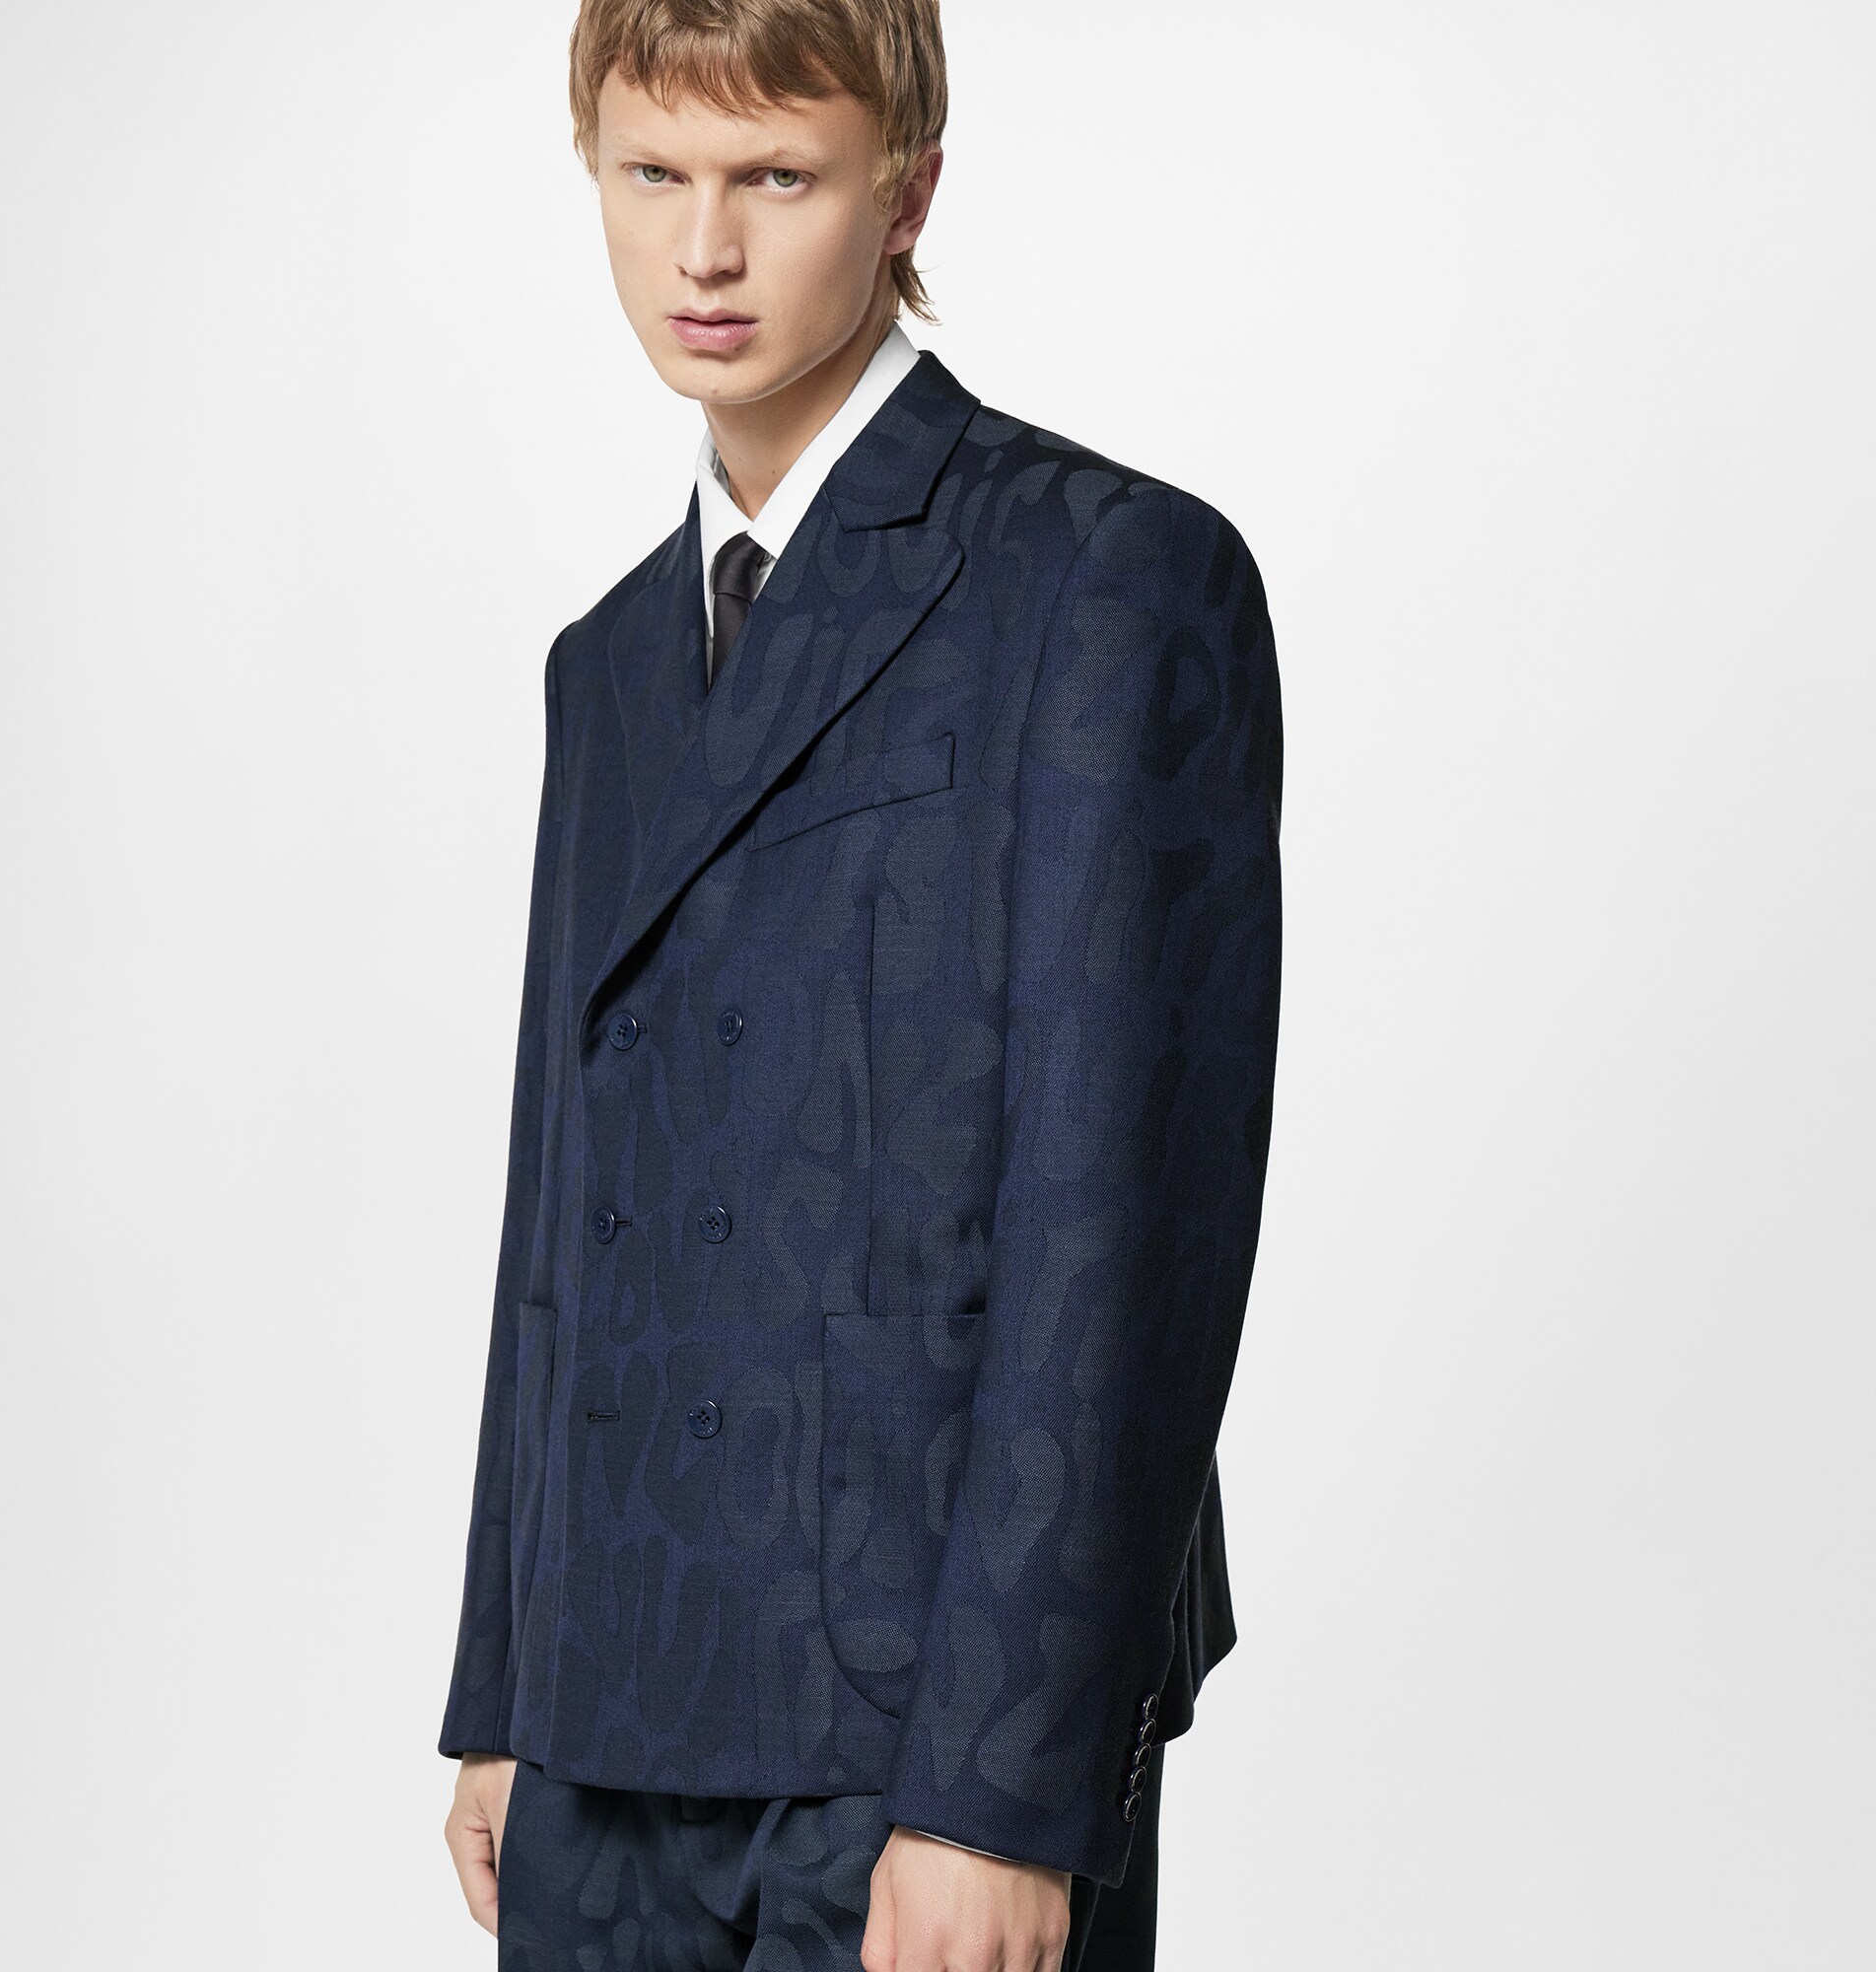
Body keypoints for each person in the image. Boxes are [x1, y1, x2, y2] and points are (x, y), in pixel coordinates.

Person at [439, 3, 1284, 1966]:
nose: (704, 249)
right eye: (653, 174)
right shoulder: (606, 662)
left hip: (918, 1724)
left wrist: (1005, 1785)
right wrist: (504, 1681)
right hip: (608, 1709)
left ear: (906, 191)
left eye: (776, 177)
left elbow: (1126, 1225)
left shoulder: (1105, 577)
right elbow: (558, 1200)